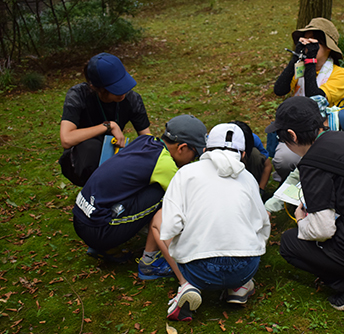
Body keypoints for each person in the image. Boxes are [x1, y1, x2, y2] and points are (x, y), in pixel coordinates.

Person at [265, 96, 344, 311]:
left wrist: (300, 220)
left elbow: (322, 230)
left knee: (289, 243)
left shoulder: (312, 164)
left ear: (292, 136)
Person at [150, 123, 271, 322]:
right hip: (244, 267)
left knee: (158, 220)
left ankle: (187, 285)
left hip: (199, 271)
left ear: (205, 150)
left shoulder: (185, 174)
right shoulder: (248, 179)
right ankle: (239, 287)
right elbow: (262, 224)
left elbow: (171, 225)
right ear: (242, 154)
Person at [72, 115, 207, 280]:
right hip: (98, 229)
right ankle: (150, 263)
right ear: (182, 148)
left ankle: (101, 247)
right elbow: (190, 201)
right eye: (194, 156)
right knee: (165, 194)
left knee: (149, 187)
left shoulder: (144, 141)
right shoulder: (164, 164)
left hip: (81, 216)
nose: (192, 161)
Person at [271, 17, 344, 182]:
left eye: (314, 43)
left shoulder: (341, 75)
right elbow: (279, 90)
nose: (309, 46)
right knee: (283, 160)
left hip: (324, 130)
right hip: (295, 128)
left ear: (329, 48)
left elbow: (313, 101)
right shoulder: (300, 69)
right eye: (305, 41)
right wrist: (296, 57)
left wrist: (310, 61)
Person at [59, 52, 151, 186]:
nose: (123, 91)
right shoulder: (78, 95)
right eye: (115, 87)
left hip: (115, 155)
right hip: (81, 160)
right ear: (96, 88)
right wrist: (109, 125)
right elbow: (66, 139)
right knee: (92, 148)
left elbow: (146, 138)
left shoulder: (132, 99)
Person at [230, 121, 272, 196]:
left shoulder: (253, 139)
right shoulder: (214, 142)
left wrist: (260, 190)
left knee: (255, 155)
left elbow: (268, 166)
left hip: (248, 169)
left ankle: (252, 187)